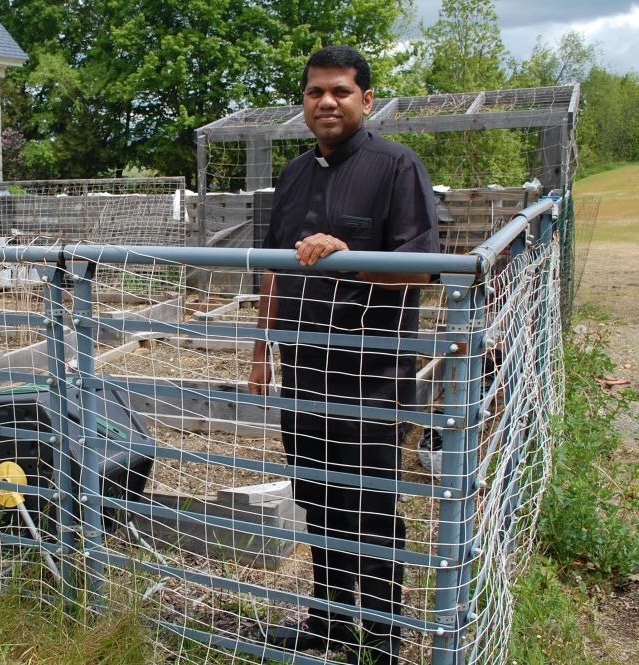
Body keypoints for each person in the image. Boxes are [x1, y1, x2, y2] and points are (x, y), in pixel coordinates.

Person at [247, 45, 440, 665]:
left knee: (371, 501)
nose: (326, 102)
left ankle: (383, 636)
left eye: (340, 91)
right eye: (314, 93)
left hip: (370, 373)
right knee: (317, 495)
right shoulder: (296, 174)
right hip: (303, 368)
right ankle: (327, 623)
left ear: (366, 99)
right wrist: (260, 350)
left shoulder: (396, 168)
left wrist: (346, 256)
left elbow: (421, 272)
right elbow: (272, 268)